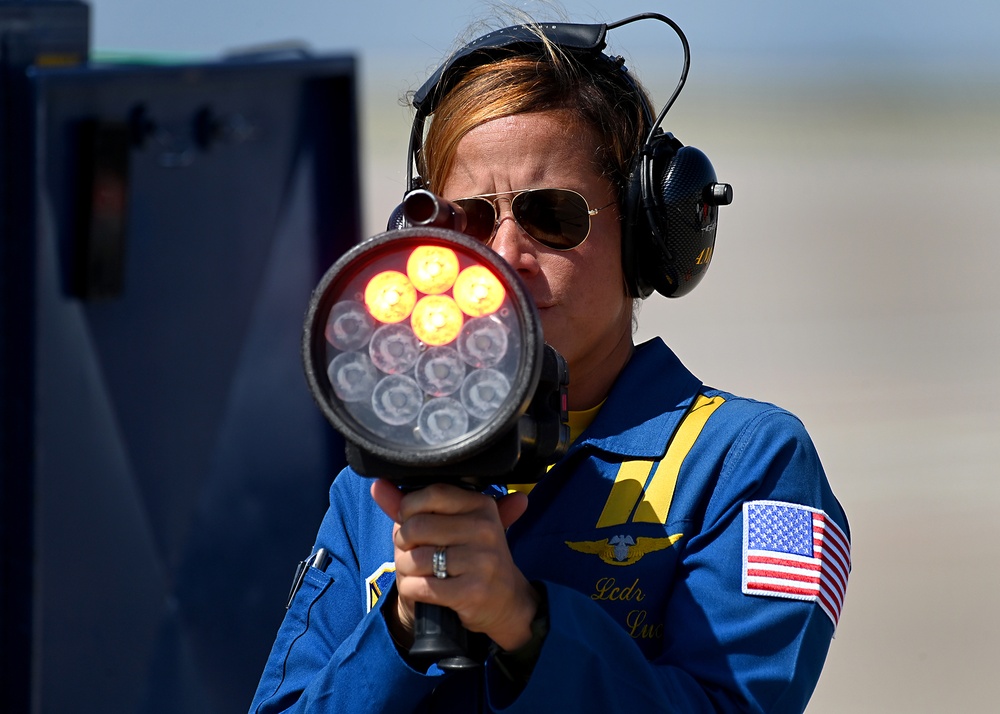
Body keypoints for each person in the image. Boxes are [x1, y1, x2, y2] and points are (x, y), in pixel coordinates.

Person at [249, 12, 850, 714]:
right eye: (468, 220)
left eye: (551, 217)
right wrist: (402, 632)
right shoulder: (373, 485)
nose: (504, 257)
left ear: (650, 229)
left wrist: (525, 623)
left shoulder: (751, 467)